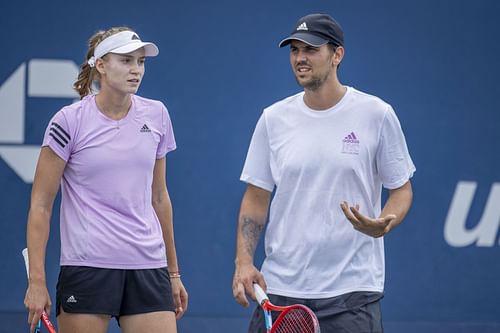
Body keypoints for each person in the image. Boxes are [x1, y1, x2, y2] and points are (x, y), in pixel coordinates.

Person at [232, 13, 415, 332]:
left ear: (337, 55)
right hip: (281, 291)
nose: (300, 58)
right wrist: (244, 262)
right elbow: (256, 197)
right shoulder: (273, 119)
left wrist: (383, 224)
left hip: (351, 293)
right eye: (294, 50)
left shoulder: (377, 114)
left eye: (311, 49)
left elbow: (401, 189)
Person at [24, 27, 188, 333]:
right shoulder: (68, 121)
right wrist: (37, 282)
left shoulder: (157, 115)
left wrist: (173, 273)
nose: (136, 70)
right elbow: (41, 204)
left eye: (140, 62)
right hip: (87, 267)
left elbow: (159, 197)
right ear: (100, 64)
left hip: (147, 265)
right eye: (126, 61)